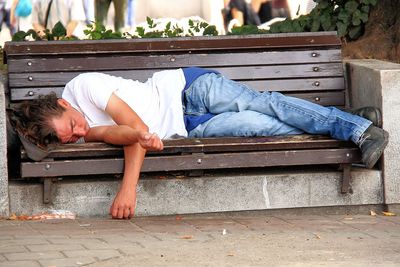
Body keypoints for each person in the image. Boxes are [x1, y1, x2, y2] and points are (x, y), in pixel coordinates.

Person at [14, 67, 389, 219]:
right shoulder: (76, 128)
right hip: (189, 129)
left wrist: (128, 188)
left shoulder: (82, 88)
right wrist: (139, 136)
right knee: (266, 126)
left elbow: (135, 126)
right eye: (74, 137)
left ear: (64, 104)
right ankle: (351, 117)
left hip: (188, 89)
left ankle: (360, 131)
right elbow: (121, 134)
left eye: (75, 125)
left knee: (266, 104)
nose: (80, 133)